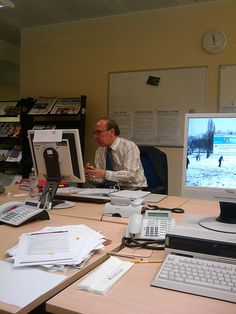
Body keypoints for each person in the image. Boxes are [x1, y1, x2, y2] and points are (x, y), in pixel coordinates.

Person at [85, 117, 147, 189]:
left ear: (112, 132)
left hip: (133, 190)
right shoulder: (100, 151)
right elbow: (101, 180)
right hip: (110, 190)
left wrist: (104, 173)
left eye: (99, 132)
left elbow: (131, 175)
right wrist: (91, 176)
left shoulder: (128, 146)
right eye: (94, 133)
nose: (95, 136)